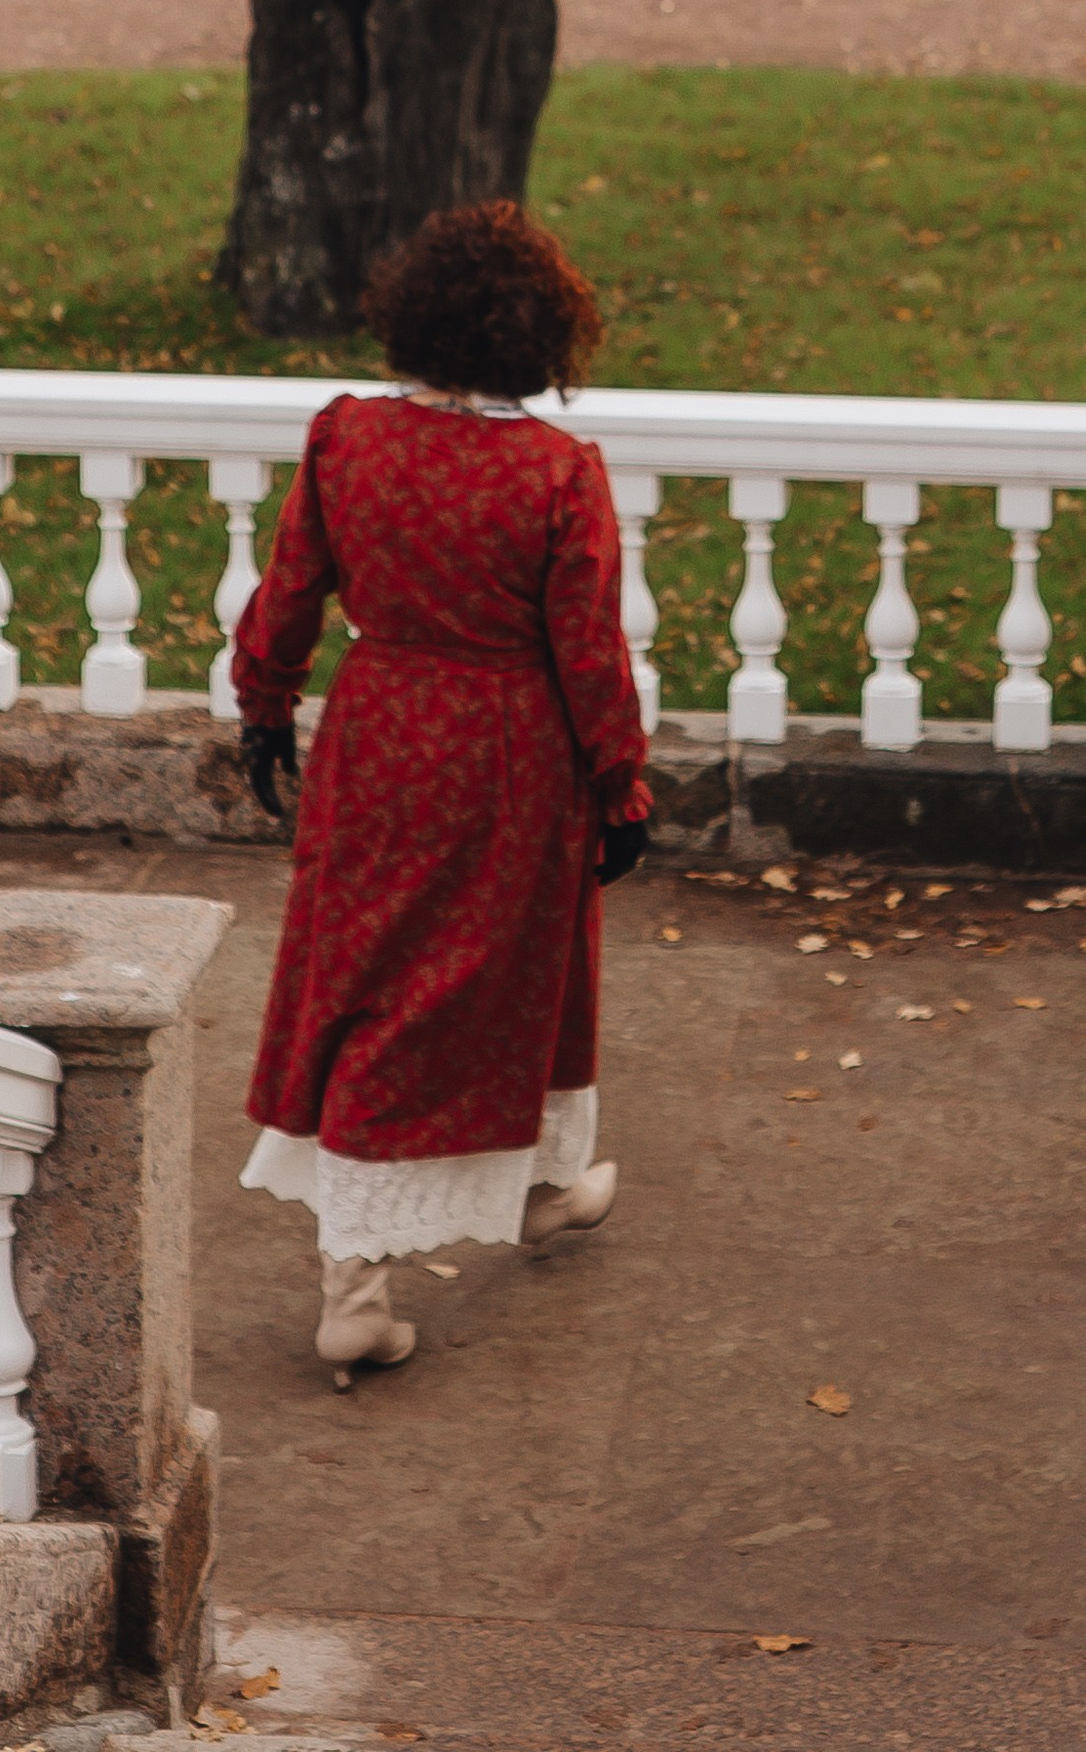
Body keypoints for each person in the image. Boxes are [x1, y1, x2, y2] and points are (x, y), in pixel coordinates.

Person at [230, 198, 651, 1381]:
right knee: (502, 971)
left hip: (378, 728)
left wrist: (264, 705)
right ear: (540, 336)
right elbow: (588, 653)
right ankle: (355, 1295)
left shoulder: (347, 438)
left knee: (370, 967)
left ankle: (538, 1190)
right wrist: (620, 784)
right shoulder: (556, 472)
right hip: (511, 747)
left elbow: (290, 590)